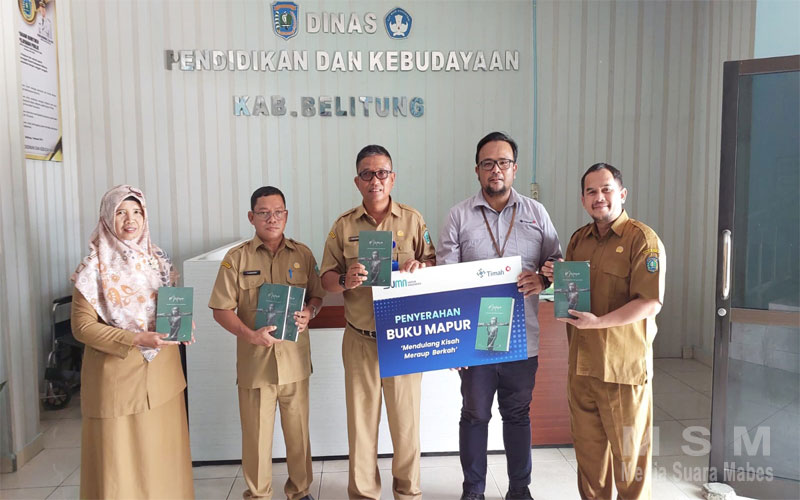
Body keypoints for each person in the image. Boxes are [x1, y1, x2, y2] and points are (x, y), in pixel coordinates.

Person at [437, 132, 562, 500]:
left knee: (518, 415)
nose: (496, 169)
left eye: (503, 162)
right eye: (488, 163)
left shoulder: (536, 213)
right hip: (474, 341)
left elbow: (556, 262)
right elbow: (445, 279)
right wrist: (454, 344)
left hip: (522, 338)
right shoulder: (459, 216)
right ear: (477, 170)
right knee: (475, 415)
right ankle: (473, 490)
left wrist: (543, 278)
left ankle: (519, 490)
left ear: (514, 169)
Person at [541, 163, 665, 499]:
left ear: (621, 194)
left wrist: (599, 323)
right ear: (583, 199)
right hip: (582, 370)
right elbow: (572, 296)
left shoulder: (642, 240)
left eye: (606, 189)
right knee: (590, 465)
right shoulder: (578, 240)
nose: (599, 197)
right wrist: (556, 277)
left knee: (630, 466)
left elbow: (650, 302)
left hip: (622, 372)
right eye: (591, 191)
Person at [320, 145, 435, 499]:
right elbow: (326, 278)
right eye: (367, 174)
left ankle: (408, 493)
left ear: (393, 178)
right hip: (360, 339)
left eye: (382, 172)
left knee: (406, 426)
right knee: (362, 427)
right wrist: (345, 280)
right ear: (357, 181)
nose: (375, 180)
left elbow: (433, 265)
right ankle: (364, 494)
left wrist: (420, 267)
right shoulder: (343, 225)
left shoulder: (413, 220)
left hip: (403, 338)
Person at [70, 185, 194, 499]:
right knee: (121, 467)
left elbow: (171, 306)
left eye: (137, 211)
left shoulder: (158, 261)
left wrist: (182, 325)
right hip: (117, 379)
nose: (130, 220)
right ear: (107, 218)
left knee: (164, 458)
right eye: (121, 212)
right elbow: (82, 328)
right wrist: (135, 338)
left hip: (163, 378)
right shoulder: (92, 269)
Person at [209, 186, 324, 500]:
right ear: (251, 217)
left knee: (298, 435)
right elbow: (220, 309)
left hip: (295, 362)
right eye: (263, 213)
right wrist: (250, 335)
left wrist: (310, 312)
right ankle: (259, 495)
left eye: (278, 212)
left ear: (286, 215)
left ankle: (300, 492)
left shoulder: (303, 254)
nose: (272, 218)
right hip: (256, 365)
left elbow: (317, 295)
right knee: (257, 439)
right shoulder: (236, 258)